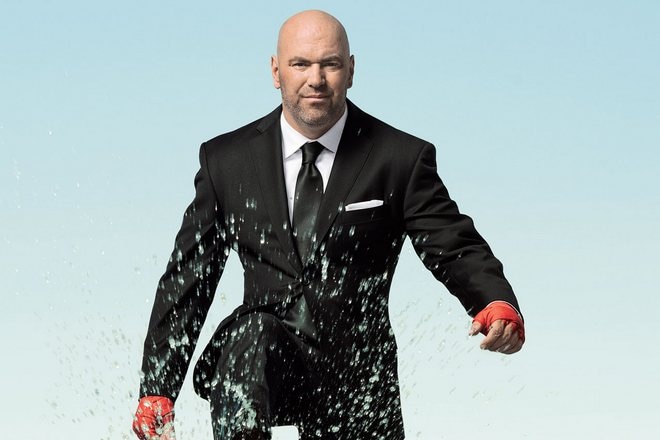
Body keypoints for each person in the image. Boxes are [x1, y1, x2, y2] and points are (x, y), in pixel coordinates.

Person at [132, 9, 525, 440]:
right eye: (300, 64)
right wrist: (158, 389)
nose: (315, 79)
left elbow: (452, 243)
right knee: (250, 332)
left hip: (358, 378)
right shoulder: (227, 161)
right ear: (276, 71)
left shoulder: (399, 158)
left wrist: (494, 301)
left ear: (350, 70)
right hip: (263, 365)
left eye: (330, 64)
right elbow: (189, 278)